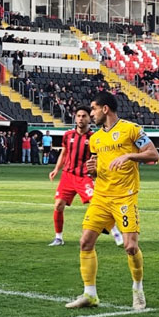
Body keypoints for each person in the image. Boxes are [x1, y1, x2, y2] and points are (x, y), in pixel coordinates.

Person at [66, 92, 159, 311]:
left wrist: (129, 156)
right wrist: (94, 170)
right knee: (85, 242)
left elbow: (153, 154)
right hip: (101, 197)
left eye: (94, 109)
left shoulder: (131, 129)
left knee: (130, 246)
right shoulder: (96, 138)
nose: (91, 114)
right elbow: (101, 168)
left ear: (105, 109)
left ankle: (138, 289)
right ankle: (90, 294)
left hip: (124, 197)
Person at [48, 106, 123, 248]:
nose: (81, 118)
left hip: (84, 177)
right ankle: (58, 238)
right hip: (68, 176)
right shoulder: (68, 135)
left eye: (84, 116)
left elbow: (100, 157)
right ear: (75, 118)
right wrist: (56, 169)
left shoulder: (95, 137)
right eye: (79, 116)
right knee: (58, 205)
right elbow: (64, 153)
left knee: (98, 204)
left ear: (89, 118)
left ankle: (116, 232)